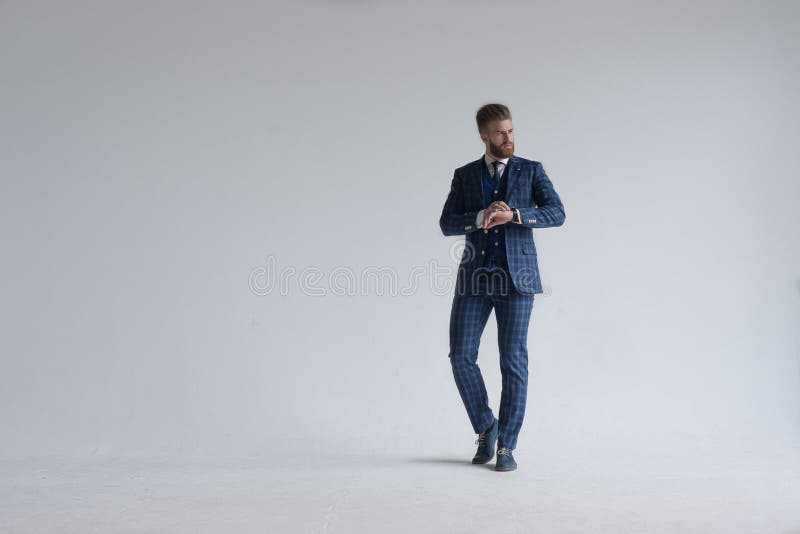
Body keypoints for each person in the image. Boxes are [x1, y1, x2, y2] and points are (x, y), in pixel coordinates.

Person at [438, 103, 566, 471]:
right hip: (475, 279)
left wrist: (516, 215)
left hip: (518, 278)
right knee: (460, 356)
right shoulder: (465, 176)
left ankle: (507, 445)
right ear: (484, 137)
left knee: (513, 362)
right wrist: (479, 218)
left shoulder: (531, 171)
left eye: (511, 131)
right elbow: (447, 223)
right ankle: (486, 427)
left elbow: (557, 212)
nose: (508, 138)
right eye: (500, 133)